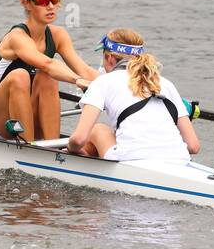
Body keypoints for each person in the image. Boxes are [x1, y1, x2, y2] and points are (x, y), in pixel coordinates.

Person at [0, 0, 97, 143]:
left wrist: (132, 85)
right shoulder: (17, 37)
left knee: (46, 78)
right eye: (42, 1)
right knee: (20, 75)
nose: (50, 6)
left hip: (25, 112)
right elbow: (48, 64)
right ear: (26, 4)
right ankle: (30, 151)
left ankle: (51, 150)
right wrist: (77, 81)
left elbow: (86, 71)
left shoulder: (58, 35)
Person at [68, 29, 201, 160]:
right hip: (178, 158)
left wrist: (73, 150)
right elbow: (193, 146)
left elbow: (79, 139)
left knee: (98, 129)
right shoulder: (166, 84)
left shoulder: (102, 82)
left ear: (109, 58)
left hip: (129, 158)